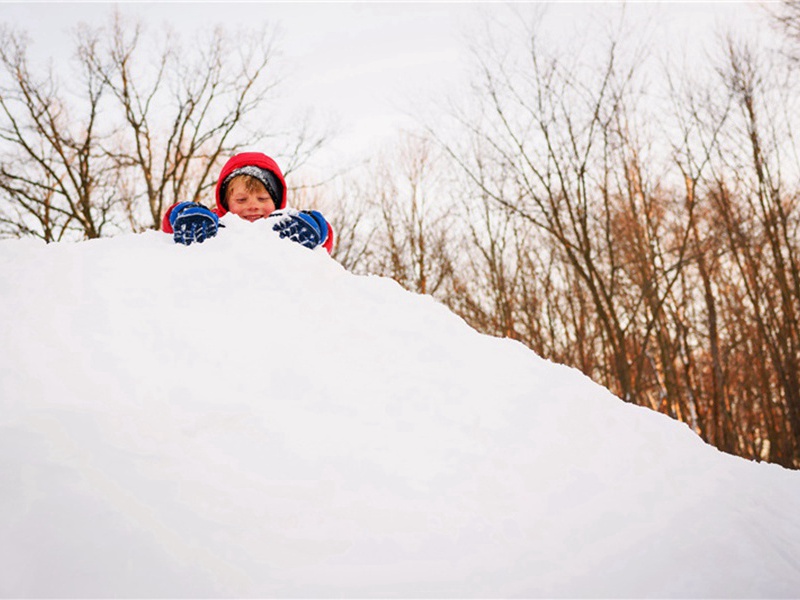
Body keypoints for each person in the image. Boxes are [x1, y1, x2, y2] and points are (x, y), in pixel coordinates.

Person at [161, 152, 334, 253]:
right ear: (226, 202)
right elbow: (169, 229)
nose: (253, 206)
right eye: (241, 200)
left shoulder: (288, 227)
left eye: (263, 199)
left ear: (276, 201)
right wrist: (185, 214)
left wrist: (316, 228)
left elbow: (324, 246)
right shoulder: (213, 224)